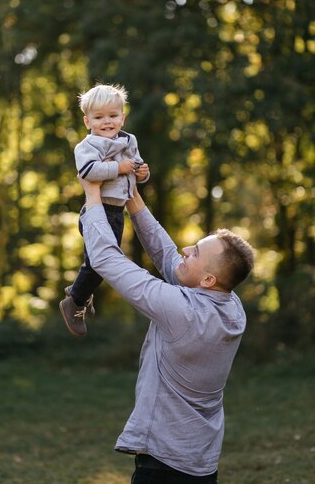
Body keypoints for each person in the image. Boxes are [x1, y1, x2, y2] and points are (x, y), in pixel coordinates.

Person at [78, 178, 254, 484]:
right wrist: (131, 196)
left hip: (163, 466)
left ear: (209, 280)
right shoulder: (232, 307)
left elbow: (106, 259)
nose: (186, 249)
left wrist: (93, 194)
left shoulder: (182, 312)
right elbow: (167, 256)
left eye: (196, 252)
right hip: (202, 463)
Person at [60, 83, 150, 337]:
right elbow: (88, 172)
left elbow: (137, 168)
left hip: (117, 211)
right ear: (87, 122)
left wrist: (142, 173)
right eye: (99, 118)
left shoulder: (129, 140)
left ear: (122, 117)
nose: (107, 122)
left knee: (102, 263)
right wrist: (118, 169)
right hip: (96, 211)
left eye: (112, 116)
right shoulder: (87, 146)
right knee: (101, 262)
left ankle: (80, 294)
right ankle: (74, 301)